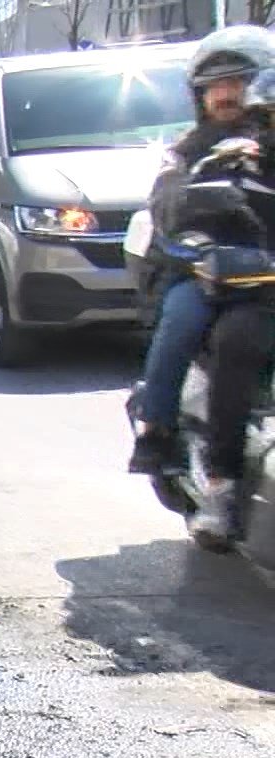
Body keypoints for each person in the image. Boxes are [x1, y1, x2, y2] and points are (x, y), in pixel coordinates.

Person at [128, 26, 274, 478]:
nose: (226, 94)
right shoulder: (185, 151)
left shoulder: (268, 143)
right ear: (200, 95)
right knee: (182, 317)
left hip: (266, 272)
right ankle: (156, 429)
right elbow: (165, 202)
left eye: (237, 82)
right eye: (215, 86)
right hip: (204, 272)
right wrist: (198, 197)